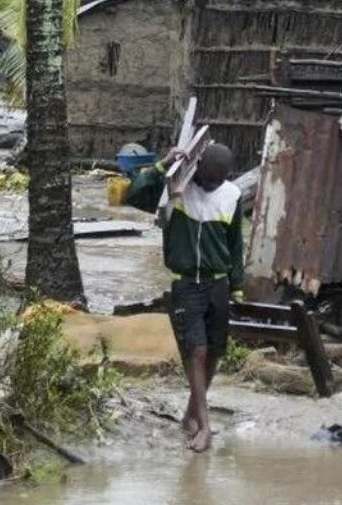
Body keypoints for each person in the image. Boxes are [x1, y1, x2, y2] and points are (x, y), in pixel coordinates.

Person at [124, 142, 243, 452]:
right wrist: (163, 165)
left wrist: (237, 286)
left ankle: (191, 415)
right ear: (197, 168)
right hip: (187, 284)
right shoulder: (176, 190)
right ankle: (205, 427)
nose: (208, 185)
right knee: (196, 350)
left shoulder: (232, 195)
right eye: (205, 178)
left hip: (218, 284)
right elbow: (133, 193)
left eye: (216, 180)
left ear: (226, 177)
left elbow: (235, 244)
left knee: (215, 351)